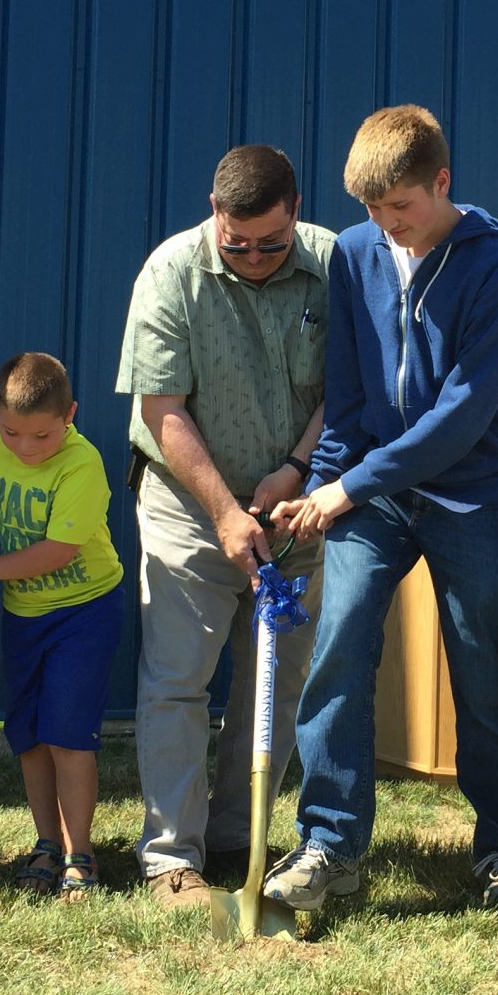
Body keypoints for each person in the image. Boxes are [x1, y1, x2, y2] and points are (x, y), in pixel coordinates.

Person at [265, 104, 498, 911]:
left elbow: (460, 416)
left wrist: (349, 485)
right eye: (375, 213)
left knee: (481, 665)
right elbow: (345, 393)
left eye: (403, 210)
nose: (390, 228)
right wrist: (327, 481)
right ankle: (330, 843)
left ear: (442, 182)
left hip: (472, 493)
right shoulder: (354, 254)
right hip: (370, 495)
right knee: (340, 645)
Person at [115, 145, 336, 908]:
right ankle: (171, 857)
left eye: (270, 244)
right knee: (178, 676)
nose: (250, 257)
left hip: (300, 504)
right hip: (188, 499)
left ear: (296, 210)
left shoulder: (335, 265)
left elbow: (353, 388)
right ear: (214, 210)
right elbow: (161, 409)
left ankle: (239, 836)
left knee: (278, 675)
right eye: (234, 242)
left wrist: (299, 470)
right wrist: (222, 510)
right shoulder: (170, 272)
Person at [0, 352, 124, 899]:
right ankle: (46, 843)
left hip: (84, 611)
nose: (25, 448)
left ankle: (80, 853)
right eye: (12, 432)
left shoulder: (82, 464)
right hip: (23, 616)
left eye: (42, 437)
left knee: (68, 736)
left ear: (70, 414)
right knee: (28, 737)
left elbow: (58, 549)